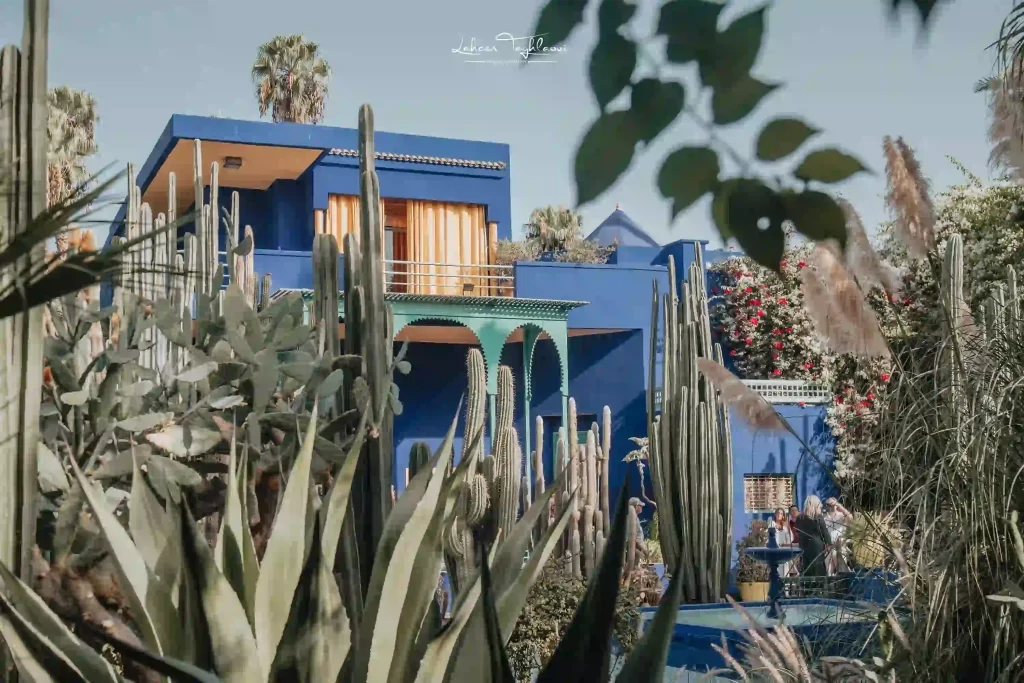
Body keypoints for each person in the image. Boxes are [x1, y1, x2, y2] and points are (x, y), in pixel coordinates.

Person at [793, 495, 831, 578]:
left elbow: (797, 532)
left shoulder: (800, 517)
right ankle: (818, 588)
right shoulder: (818, 517)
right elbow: (824, 531)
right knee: (818, 568)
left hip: (804, 546)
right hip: (817, 546)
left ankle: (807, 589)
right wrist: (828, 543)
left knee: (806, 567)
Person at [823, 497, 853, 574]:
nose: (831, 506)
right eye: (829, 504)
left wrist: (839, 505)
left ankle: (842, 581)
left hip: (841, 543)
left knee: (842, 565)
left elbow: (850, 518)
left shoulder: (841, 516)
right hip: (829, 544)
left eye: (833, 504)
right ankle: (830, 581)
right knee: (828, 566)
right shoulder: (824, 518)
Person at [770, 507, 795, 579]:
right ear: (775, 514)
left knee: (784, 572)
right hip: (773, 551)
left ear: (783, 516)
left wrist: (786, 527)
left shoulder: (785, 527)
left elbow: (790, 539)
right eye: (778, 513)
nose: (779, 515)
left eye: (781, 513)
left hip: (783, 552)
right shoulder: (772, 524)